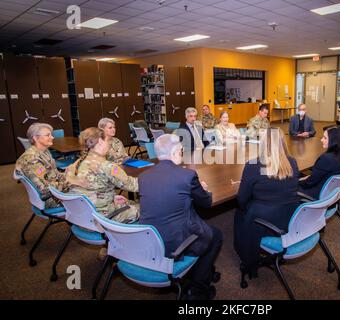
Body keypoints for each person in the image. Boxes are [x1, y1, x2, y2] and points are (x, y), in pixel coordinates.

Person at [138, 134, 222, 300]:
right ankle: (198, 288)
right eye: (182, 151)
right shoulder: (187, 176)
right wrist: (204, 189)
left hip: (149, 238)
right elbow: (206, 202)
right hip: (174, 242)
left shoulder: (143, 177)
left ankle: (198, 273)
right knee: (216, 235)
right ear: (176, 152)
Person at [234, 127, 301, 276]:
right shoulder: (292, 162)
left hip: (263, 221)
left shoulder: (253, 165)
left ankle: (248, 260)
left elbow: (242, 199)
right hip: (289, 218)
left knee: (240, 213)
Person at [65, 127, 139, 223]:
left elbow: (86, 190)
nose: (109, 144)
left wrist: (110, 197)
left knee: (129, 202)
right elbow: (133, 185)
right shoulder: (107, 166)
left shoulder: (75, 164)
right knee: (147, 208)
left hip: (83, 217)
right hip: (104, 219)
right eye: (107, 141)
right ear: (100, 141)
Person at [15, 123, 67, 208]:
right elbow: (44, 190)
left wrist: (68, 176)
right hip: (51, 199)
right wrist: (69, 183)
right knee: (90, 195)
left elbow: (53, 174)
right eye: (48, 135)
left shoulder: (44, 151)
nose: (52, 137)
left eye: (51, 135)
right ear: (35, 138)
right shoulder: (31, 159)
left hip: (56, 191)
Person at [298, 126, 340, 199]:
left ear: (334, 140)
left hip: (316, 193)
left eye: (325, 138)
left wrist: (298, 182)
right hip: (331, 192)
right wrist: (308, 177)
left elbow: (310, 183)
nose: (321, 140)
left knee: (287, 184)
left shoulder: (327, 159)